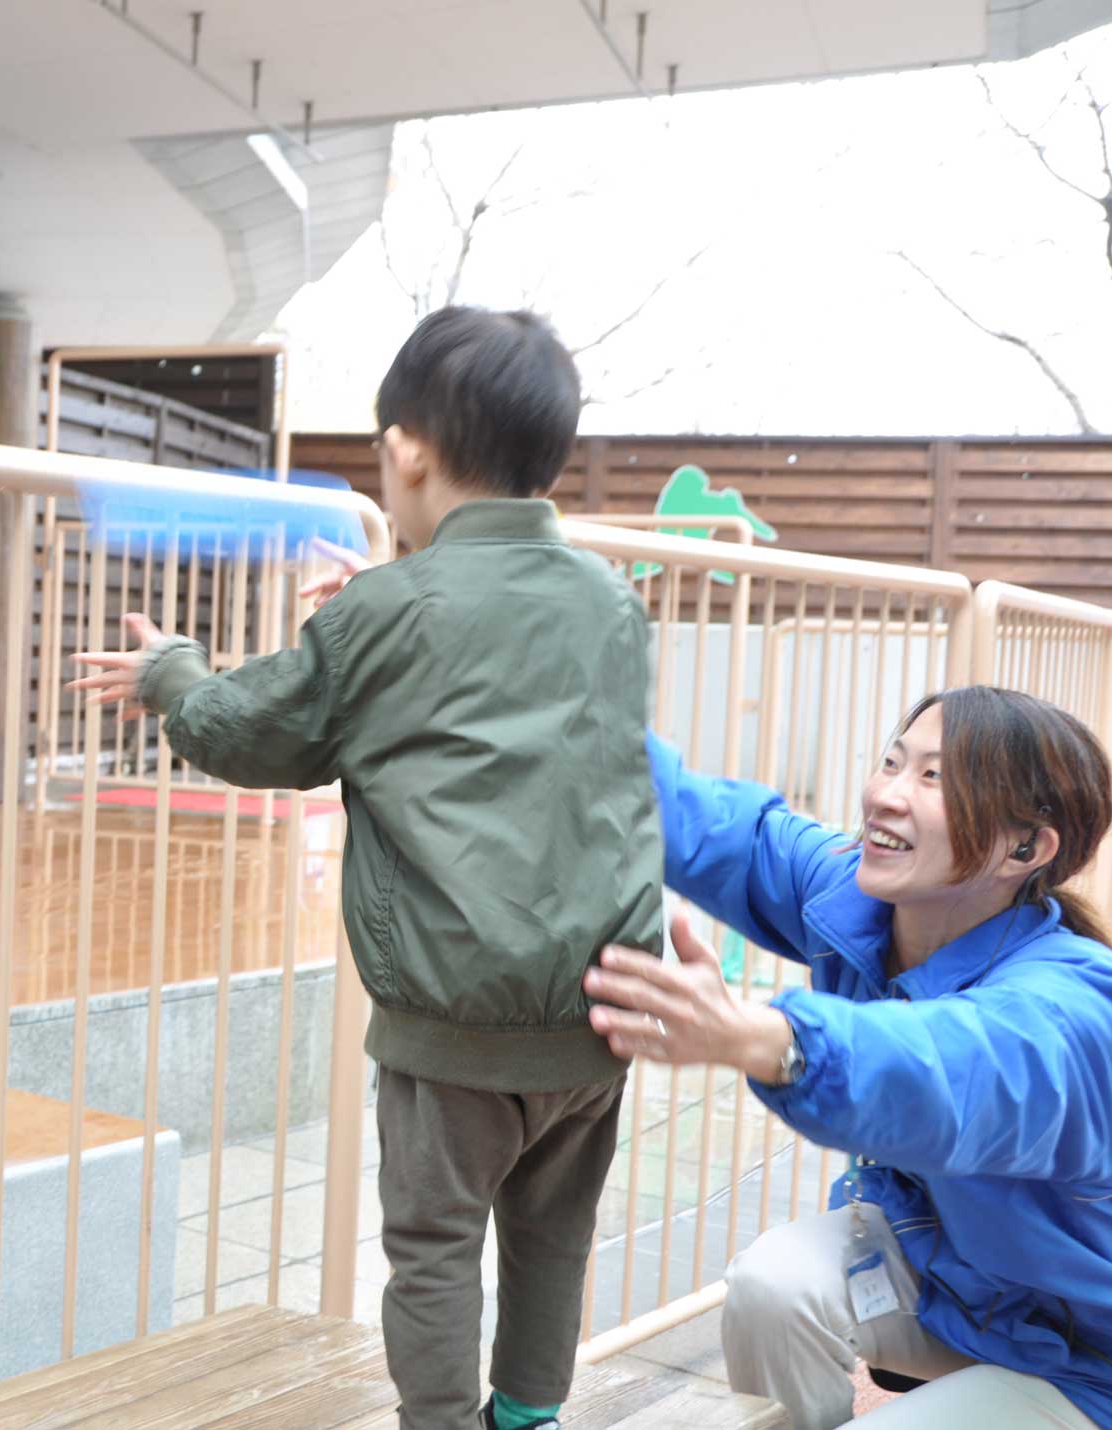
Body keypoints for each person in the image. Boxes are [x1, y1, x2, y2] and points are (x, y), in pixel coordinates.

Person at [71, 307, 663, 1430]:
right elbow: (503, 698)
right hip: (601, 1007)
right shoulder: (607, 600)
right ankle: (528, 1416)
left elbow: (256, 733)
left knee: (433, 1244)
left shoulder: (387, 612)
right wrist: (385, 603)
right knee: (552, 1230)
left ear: (404, 449)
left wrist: (169, 669)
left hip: (454, 1013)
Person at [583, 686, 1112, 1429]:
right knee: (774, 1283)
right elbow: (715, 825)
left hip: (1082, 1357)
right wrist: (539, 659)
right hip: (951, 1282)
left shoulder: (1068, 1006)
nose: (885, 795)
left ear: (1024, 848)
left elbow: (942, 1065)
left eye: (934, 779)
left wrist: (771, 1037)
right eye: (892, 762)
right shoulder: (859, 904)